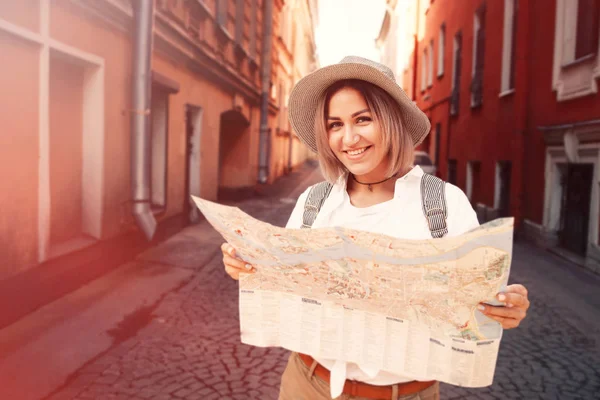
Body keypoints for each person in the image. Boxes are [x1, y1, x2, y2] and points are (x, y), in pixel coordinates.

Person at [221, 56, 530, 400]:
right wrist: (247, 265)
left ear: (391, 120)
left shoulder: (443, 205)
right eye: (335, 124)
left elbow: (480, 303)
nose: (348, 138)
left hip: (406, 394)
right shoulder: (314, 201)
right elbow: (283, 279)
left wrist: (504, 306)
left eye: (362, 119)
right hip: (307, 384)